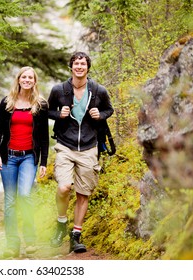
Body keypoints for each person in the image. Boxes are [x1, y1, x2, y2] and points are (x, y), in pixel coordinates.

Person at [47, 51, 114, 253]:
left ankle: (76, 235)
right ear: (71, 67)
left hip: (89, 146)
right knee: (64, 187)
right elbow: (48, 111)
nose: (79, 67)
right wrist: (59, 114)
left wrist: (99, 115)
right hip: (65, 145)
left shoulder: (98, 90)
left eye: (83, 64)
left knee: (83, 193)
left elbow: (109, 110)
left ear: (87, 67)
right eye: (76, 63)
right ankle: (61, 223)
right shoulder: (59, 89)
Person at [0, 66, 49, 258]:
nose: (26, 80)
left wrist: (43, 162)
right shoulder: (7, 103)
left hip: (28, 157)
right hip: (8, 157)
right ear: (18, 80)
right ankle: (12, 245)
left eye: (30, 77)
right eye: (23, 77)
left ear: (34, 81)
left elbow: (43, 137)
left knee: (24, 196)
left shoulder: (40, 104)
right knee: (10, 201)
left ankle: (31, 241)